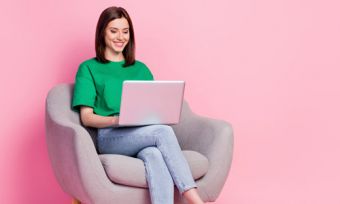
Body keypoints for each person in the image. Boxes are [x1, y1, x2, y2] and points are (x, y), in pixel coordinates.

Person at [71, 6, 205, 204]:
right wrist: (117, 119)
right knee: (162, 132)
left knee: (154, 155)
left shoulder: (141, 69)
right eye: (113, 30)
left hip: (143, 136)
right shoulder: (89, 68)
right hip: (111, 137)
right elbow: (87, 117)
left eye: (125, 32)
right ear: (102, 33)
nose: (120, 37)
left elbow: (152, 108)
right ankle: (193, 198)